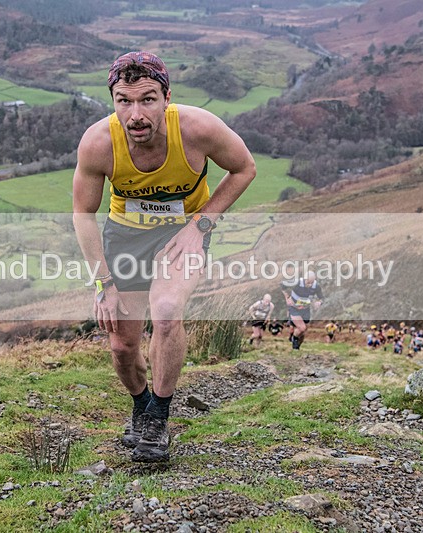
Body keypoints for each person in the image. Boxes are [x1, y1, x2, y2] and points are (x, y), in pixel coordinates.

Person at [72, 51, 256, 463]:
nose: (136, 114)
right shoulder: (99, 143)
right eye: (124, 101)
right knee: (122, 345)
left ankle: (158, 418)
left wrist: (201, 225)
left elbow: (244, 168)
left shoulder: (198, 128)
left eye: (148, 99)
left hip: (183, 233)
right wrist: (103, 282)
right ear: (113, 100)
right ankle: (141, 406)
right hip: (126, 236)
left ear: (167, 97)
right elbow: (83, 214)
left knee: (168, 310)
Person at [280, 271, 323, 350]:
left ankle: (296, 347)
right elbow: (282, 284)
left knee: (302, 332)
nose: (309, 285)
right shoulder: (297, 282)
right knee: (302, 328)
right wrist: (287, 297)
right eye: (308, 282)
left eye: (311, 283)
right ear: (304, 279)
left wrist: (319, 302)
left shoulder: (316, 286)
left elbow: (321, 298)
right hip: (294, 308)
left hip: (305, 309)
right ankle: (294, 339)